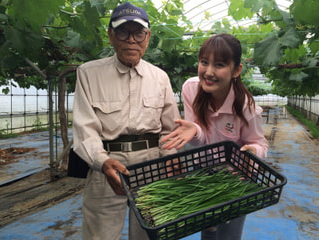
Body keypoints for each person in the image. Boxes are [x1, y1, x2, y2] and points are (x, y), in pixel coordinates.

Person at [72, 2, 180, 240]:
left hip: (152, 165)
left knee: (149, 233)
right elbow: (84, 129)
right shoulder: (89, 73)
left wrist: (171, 161)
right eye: (123, 31)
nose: (132, 39)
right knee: (99, 235)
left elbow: (170, 130)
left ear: (148, 37)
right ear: (111, 35)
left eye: (139, 32)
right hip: (107, 166)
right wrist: (102, 162)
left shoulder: (160, 77)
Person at [162, 33, 268, 240]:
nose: (208, 72)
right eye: (204, 62)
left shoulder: (247, 108)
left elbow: (259, 143)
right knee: (208, 230)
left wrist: (254, 151)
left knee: (229, 233)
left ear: (236, 70)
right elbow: (199, 137)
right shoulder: (191, 88)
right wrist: (194, 130)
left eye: (219, 64)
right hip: (202, 172)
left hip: (235, 179)